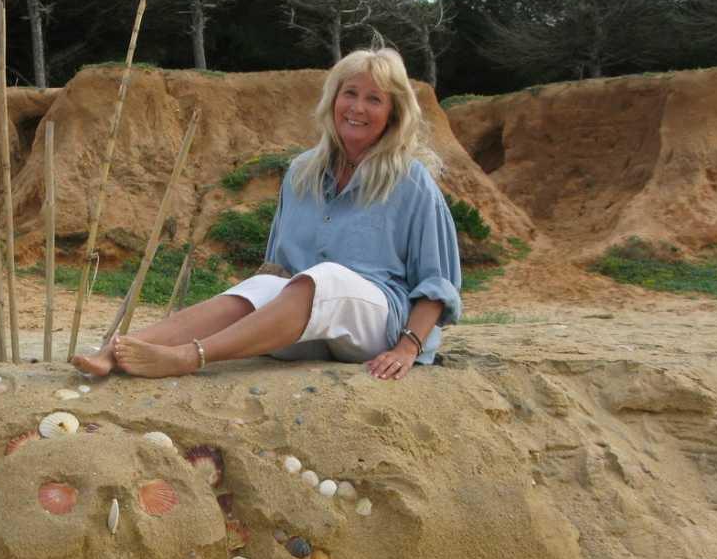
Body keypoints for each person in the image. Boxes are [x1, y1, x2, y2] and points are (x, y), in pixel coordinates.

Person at [73, 46, 461, 381]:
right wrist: (255, 298)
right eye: (350, 94)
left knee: (324, 279)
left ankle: (187, 357)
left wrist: (407, 349)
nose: (357, 108)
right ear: (333, 100)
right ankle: (121, 348)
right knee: (262, 287)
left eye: (374, 99)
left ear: (393, 114)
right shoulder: (302, 172)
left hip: (379, 326)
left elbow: (438, 283)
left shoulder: (411, 180)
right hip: (307, 328)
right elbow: (278, 269)